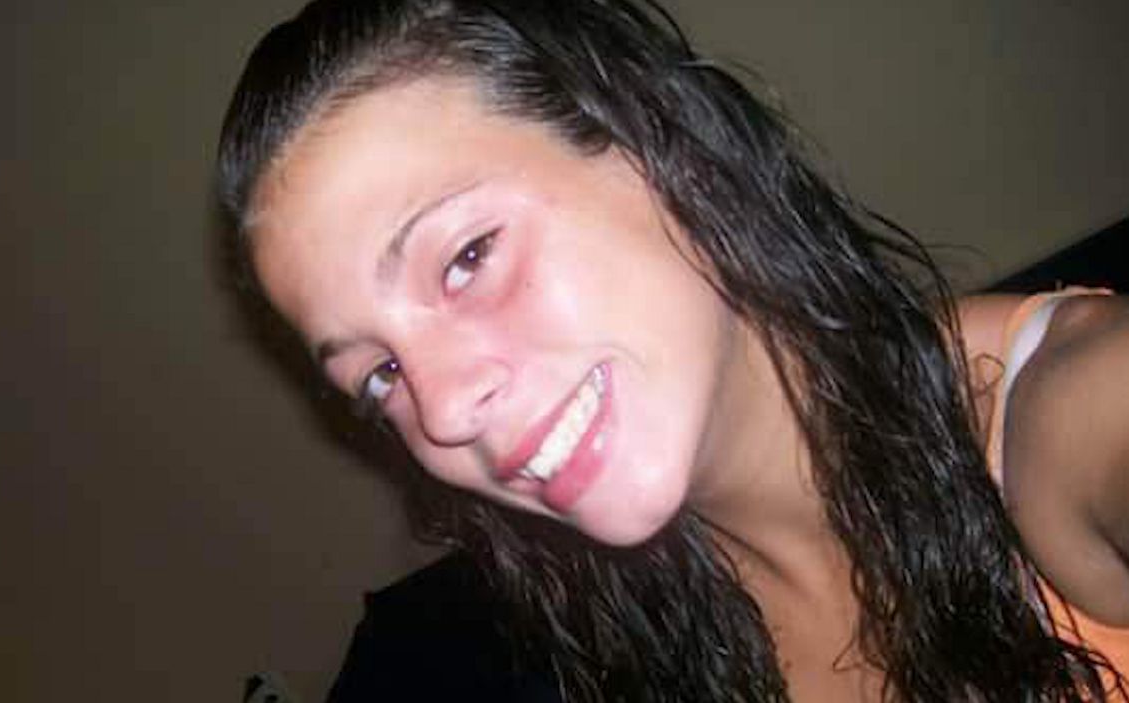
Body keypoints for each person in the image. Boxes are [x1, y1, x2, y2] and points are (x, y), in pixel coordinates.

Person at [214, 0, 1129, 699]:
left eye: (467, 257)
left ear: (655, 142)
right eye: (381, 374)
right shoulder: (639, 623)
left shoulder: (1081, 411)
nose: (445, 410)